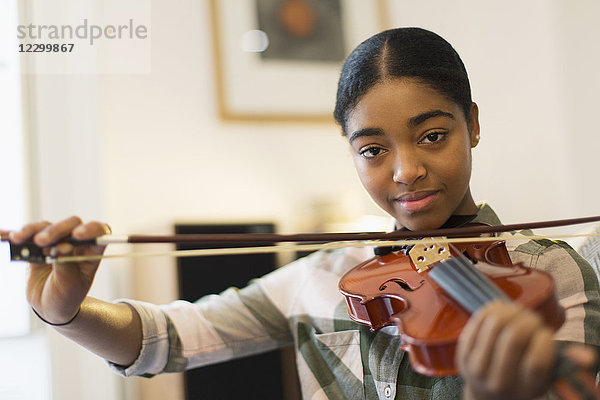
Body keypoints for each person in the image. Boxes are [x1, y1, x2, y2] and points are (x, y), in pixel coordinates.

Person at [5, 28, 600, 399]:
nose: (404, 171)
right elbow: (171, 337)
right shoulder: (325, 277)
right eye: (373, 150)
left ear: (471, 124)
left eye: (433, 135)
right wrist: (65, 309)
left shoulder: (550, 276)